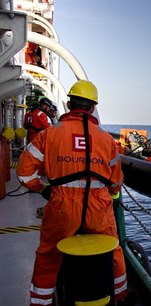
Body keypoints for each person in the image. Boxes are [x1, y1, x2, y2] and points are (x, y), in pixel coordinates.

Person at [16, 80, 128, 305]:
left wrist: (45, 189)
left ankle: (40, 302)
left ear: (68, 104)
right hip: (99, 208)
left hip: (61, 206)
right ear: (93, 107)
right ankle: (122, 295)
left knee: (48, 255)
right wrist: (110, 194)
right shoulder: (107, 140)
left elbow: (25, 173)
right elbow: (116, 182)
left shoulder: (49, 134)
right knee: (113, 250)